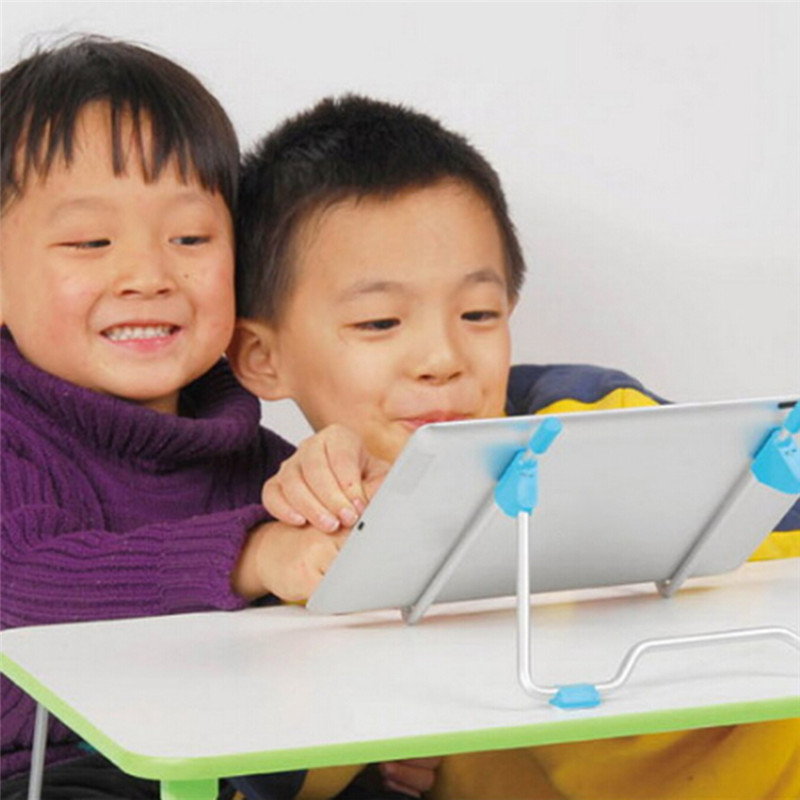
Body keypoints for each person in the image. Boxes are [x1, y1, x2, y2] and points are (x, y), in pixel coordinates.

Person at [228, 94, 800, 800]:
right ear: (261, 356)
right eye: (379, 322)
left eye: (478, 314)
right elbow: (270, 768)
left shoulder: (587, 420)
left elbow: (771, 529)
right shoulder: (294, 542)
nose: (442, 358)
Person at [0, 37, 392, 800]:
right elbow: (25, 582)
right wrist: (254, 553)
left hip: (226, 761)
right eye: (89, 241)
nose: (149, 275)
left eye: (190, 238)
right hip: (51, 773)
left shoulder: (259, 461)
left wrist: (348, 516)